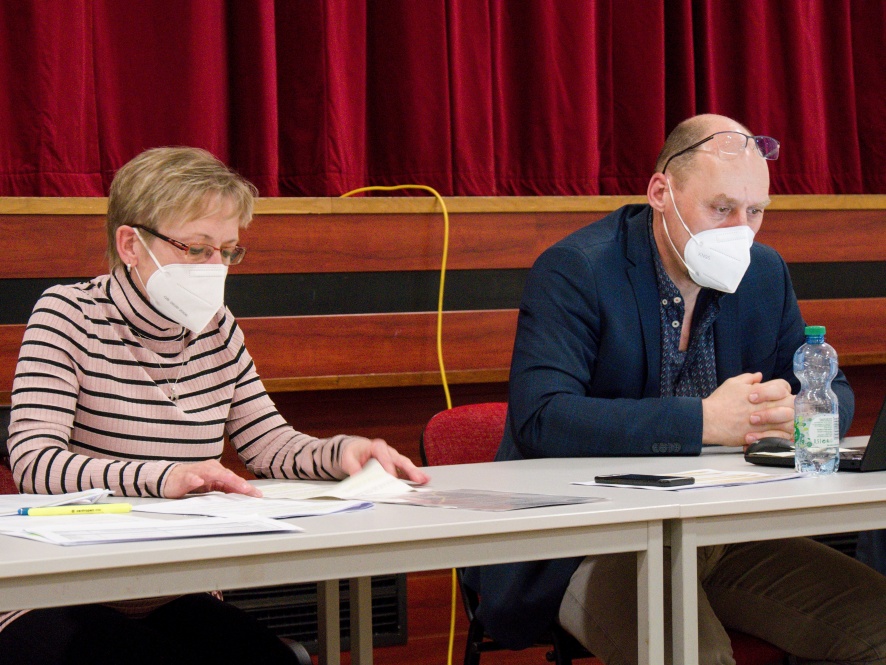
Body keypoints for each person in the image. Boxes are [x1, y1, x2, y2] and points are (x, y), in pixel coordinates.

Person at [463, 114, 886, 664]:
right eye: (721, 208)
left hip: (724, 532)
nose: (741, 230)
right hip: (592, 544)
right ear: (661, 193)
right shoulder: (576, 269)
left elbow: (835, 389)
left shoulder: (763, 272)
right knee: (695, 655)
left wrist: (799, 409)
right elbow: (542, 417)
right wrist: (704, 421)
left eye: (755, 211)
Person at [0, 147, 429, 665]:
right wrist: (164, 477)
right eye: (198, 249)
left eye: (227, 251)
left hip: (176, 586)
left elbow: (268, 444)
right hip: (58, 592)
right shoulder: (68, 314)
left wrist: (342, 453)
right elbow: (34, 464)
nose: (215, 268)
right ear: (131, 244)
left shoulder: (217, 327)